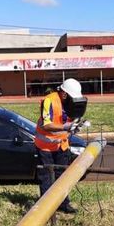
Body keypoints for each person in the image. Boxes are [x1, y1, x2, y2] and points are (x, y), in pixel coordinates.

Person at [35, 78, 83, 214]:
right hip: (46, 148)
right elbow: (47, 124)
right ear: (64, 93)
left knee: (62, 177)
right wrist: (65, 126)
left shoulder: (70, 103)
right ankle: (46, 208)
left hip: (62, 146)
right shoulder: (49, 101)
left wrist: (74, 126)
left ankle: (63, 203)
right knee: (47, 178)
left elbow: (70, 120)